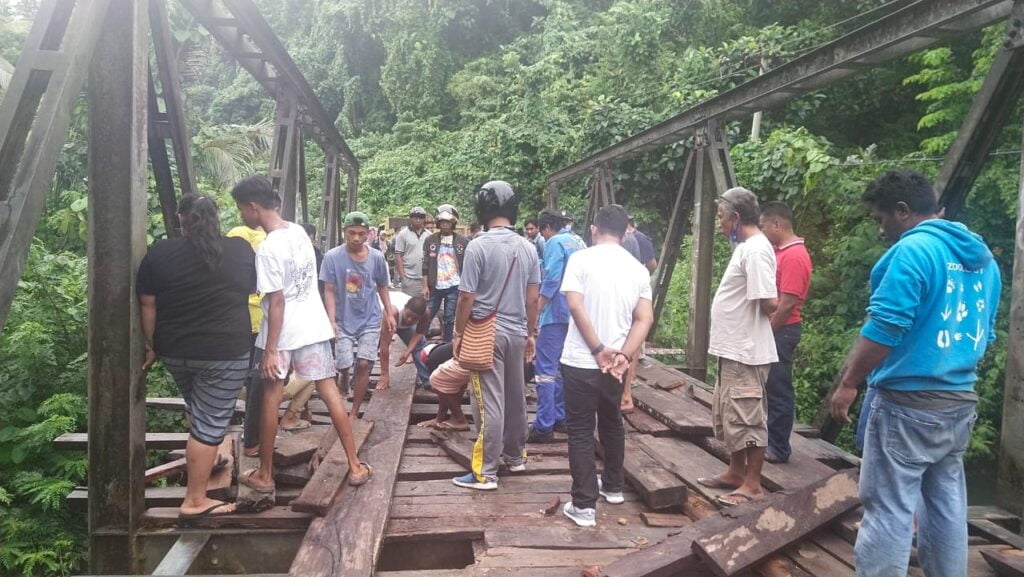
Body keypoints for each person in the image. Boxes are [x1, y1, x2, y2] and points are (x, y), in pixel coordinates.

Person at [830, 169, 1000, 577]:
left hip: (907, 403)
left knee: (888, 509)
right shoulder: (981, 258)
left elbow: (884, 328)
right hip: (959, 401)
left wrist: (849, 383)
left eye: (881, 219)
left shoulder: (915, 251)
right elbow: (986, 333)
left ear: (903, 211)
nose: (880, 229)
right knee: (945, 504)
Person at [231, 176, 372, 495]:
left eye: (242, 209)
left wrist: (269, 350)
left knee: (270, 396)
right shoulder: (297, 232)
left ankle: (265, 475)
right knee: (330, 392)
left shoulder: (267, 248)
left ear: (253, 207)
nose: (242, 216)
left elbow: (277, 300)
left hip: (281, 335)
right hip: (313, 326)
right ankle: (355, 465)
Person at [137, 193, 257, 518]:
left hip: (175, 350)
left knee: (198, 406)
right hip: (225, 352)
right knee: (210, 422)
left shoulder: (160, 252)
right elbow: (251, 289)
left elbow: (148, 304)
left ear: (181, 221)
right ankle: (195, 500)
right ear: (216, 218)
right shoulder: (239, 250)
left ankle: (209, 456)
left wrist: (152, 345)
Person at [559, 204, 653, 527]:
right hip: (615, 365)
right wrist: (623, 356)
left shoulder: (580, 259)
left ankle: (584, 505)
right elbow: (644, 319)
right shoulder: (638, 269)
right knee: (611, 421)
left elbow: (574, 304)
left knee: (581, 429)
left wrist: (597, 348)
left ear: (594, 229)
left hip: (581, 360)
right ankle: (613, 486)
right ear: (627, 230)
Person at [451, 180, 540, 490]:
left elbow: (466, 297)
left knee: (488, 402)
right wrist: (531, 334)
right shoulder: (528, 248)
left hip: (486, 333)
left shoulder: (477, 245)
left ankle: (485, 472)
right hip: (517, 332)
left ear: (483, 209)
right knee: (516, 397)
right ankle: (516, 457)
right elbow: (532, 299)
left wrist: (458, 332)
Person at [697, 187, 778, 507]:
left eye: (720, 217)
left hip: (746, 349)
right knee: (730, 412)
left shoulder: (756, 249)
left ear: (734, 218)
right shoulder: (747, 247)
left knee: (748, 416)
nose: (719, 223)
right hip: (733, 348)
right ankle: (735, 472)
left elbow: (768, 301)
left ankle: (754, 484)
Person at [321, 211, 395, 419]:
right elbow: (329, 289)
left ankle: (354, 411)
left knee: (364, 363)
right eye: (351, 233)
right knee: (343, 362)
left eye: (361, 234)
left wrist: (388, 313)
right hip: (344, 319)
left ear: (368, 235)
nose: (356, 238)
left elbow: (382, 286)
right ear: (344, 232)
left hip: (370, 317)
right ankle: (344, 376)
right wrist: (331, 320)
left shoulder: (377, 258)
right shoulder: (332, 257)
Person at [758, 201, 813, 464]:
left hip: (783, 330)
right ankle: (771, 441)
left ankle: (779, 448)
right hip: (778, 329)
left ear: (777, 224)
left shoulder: (794, 256)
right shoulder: (781, 251)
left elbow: (787, 302)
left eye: (764, 226)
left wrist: (767, 332)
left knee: (779, 389)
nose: (763, 231)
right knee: (771, 388)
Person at [527, 208, 586, 443]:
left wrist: (536, 309)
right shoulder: (578, 240)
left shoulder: (554, 242)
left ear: (546, 229)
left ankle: (543, 424)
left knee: (545, 371)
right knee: (561, 368)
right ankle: (560, 416)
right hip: (575, 313)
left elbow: (552, 278)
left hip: (556, 312)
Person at [421, 206, 469, 343]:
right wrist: (424, 286)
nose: (445, 224)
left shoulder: (463, 242)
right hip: (435, 285)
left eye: (448, 222)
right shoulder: (430, 240)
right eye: (442, 222)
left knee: (449, 317)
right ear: (438, 223)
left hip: (454, 285)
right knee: (427, 315)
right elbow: (425, 264)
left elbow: (466, 265)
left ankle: (447, 346)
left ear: (453, 223)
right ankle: (420, 345)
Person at [378, 295, 432, 391]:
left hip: (402, 325)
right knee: (368, 351)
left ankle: (427, 381)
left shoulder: (425, 313)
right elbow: (384, 344)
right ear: (405, 307)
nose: (410, 320)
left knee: (420, 346)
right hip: (382, 321)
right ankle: (356, 384)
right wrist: (384, 374)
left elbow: (419, 332)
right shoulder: (393, 311)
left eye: (414, 318)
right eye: (408, 315)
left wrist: (408, 351)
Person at [394, 206, 429, 297]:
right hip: (409, 277)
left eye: (420, 218)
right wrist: (402, 276)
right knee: (409, 306)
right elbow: (398, 256)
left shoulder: (428, 235)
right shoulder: (403, 234)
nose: (418, 220)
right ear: (411, 218)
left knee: (424, 307)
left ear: (424, 219)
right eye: (415, 217)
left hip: (425, 278)